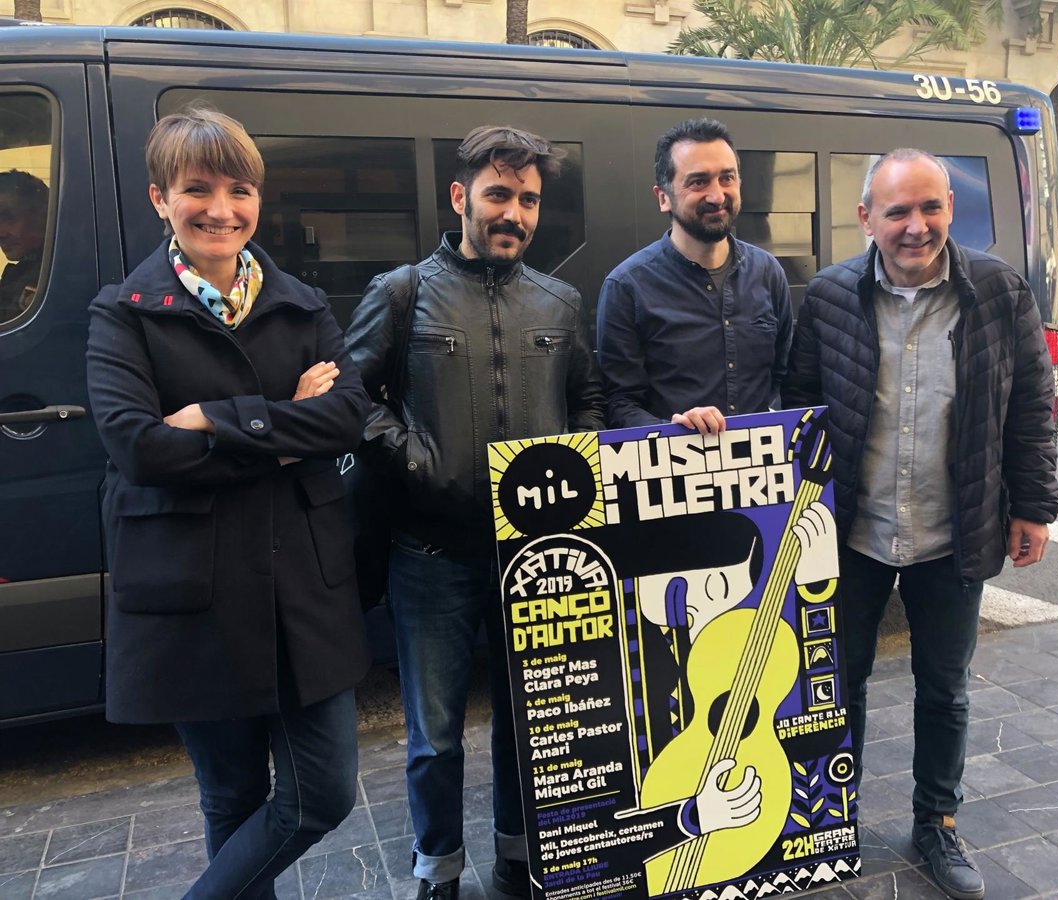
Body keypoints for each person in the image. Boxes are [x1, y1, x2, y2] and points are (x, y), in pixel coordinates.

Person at [85, 107, 372, 899]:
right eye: (197, 189)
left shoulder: (301, 303)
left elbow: (348, 416)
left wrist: (213, 418)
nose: (221, 209)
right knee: (232, 797)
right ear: (160, 198)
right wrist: (283, 429)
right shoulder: (122, 313)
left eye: (239, 190)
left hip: (302, 590)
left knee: (322, 794)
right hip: (195, 594)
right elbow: (139, 449)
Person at [782, 148, 1058, 900]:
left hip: (953, 531)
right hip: (852, 534)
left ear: (950, 210)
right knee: (838, 685)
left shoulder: (998, 290)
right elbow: (798, 403)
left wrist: (1034, 505)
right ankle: (830, 821)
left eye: (931, 207)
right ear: (866, 217)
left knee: (945, 690)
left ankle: (936, 823)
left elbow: (1030, 405)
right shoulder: (830, 295)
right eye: (898, 210)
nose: (916, 226)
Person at [345, 125, 605, 900]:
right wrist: (414, 459)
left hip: (535, 561)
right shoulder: (402, 293)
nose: (514, 214)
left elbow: (589, 402)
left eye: (528, 199)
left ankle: (519, 860)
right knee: (434, 738)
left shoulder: (560, 301)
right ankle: (438, 870)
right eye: (499, 194)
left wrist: (571, 470)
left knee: (533, 726)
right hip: (430, 557)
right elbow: (349, 399)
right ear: (460, 196)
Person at [596, 117, 792, 434]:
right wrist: (672, 429)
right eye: (698, 182)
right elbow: (619, 404)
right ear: (663, 197)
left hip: (762, 461)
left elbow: (785, 380)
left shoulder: (768, 272)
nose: (717, 196)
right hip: (674, 462)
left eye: (727, 178)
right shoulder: (627, 287)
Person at [0, 169, 48, 324]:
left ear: (43, 215)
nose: (1, 233)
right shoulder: (26, 271)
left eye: (9, 217)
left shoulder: (56, 276)